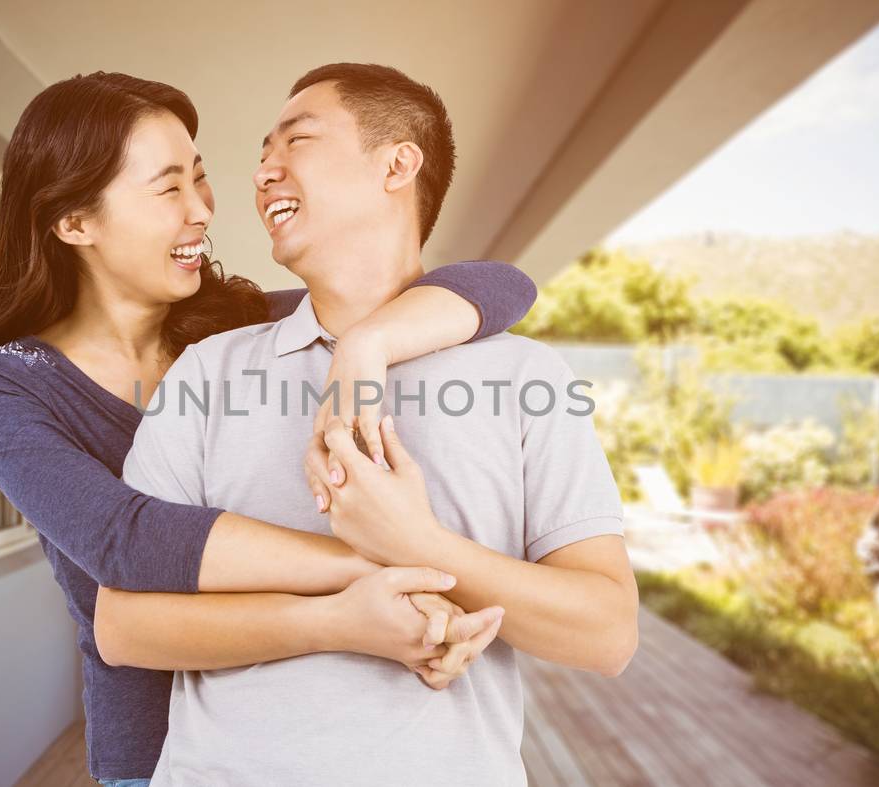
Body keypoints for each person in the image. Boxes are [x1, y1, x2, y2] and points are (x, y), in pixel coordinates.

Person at [0, 72, 534, 786]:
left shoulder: (235, 324)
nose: (203, 209)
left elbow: (503, 286)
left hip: (290, 729)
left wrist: (365, 347)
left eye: (199, 179)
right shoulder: (4, 383)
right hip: (155, 749)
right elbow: (127, 540)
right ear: (75, 223)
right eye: (169, 189)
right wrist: (389, 568)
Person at [104, 63, 638, 786]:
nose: (263, 171)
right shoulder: (207, 373)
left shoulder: (527, 379)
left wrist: (416, 544)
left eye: (296, 140)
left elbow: (608, 632)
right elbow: (124, 625)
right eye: (263, 153)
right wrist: (344, 611)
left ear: (397, 163)